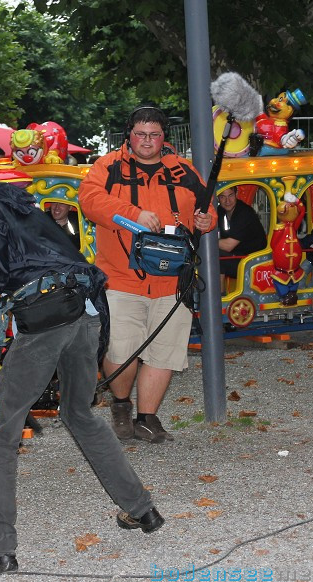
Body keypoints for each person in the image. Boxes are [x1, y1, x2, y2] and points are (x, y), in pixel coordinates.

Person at [0, 157, 162, 574]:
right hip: (84, 309)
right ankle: (142, 511)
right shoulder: (21, 204)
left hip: (46, 317)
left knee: (3, 433)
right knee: (79, 413)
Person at [79, 104, 216, 444]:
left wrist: (206, 221)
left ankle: (147, 418)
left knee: (165, 352)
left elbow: (206, 207)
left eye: (154, 135)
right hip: (120, 279)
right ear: (129, 134)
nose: (147, 141)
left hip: (173, 281)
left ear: (163, 137)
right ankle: (122, 404)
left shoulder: (183, 170)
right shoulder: (107, 167)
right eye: (140, 134)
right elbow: (90, 200)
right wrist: (133, 215)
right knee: (119, 350)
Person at [216, 186, 267, 279]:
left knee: (217, 256)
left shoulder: (244, 213)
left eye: (230, 195)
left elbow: (228, 246)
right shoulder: (220, 211)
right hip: (239, 256)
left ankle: (220, 293)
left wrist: (206, 242)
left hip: (254, 260)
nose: (227, 201)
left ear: (236, 194)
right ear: (218, 198)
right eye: (223, 197)